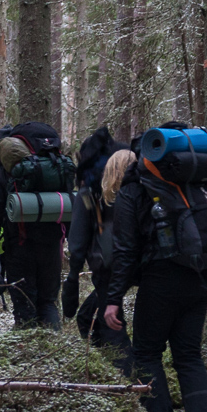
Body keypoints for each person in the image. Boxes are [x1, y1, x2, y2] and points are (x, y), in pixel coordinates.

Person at [103, 123, 207, 412]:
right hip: (200, 276)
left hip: (160, 278)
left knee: (147, 353)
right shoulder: (195, 182)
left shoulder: (134, 188)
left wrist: (113, 298)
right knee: (189, 355)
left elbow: (125, 250)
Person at [0, 123, 68, 330]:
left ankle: (28, 347)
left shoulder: (4, 172)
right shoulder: (54, 166)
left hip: (19, 246)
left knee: (24, 305)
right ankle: (54, 345)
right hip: (52, 245)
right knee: (48, 302)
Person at [63, 130, 134, 377]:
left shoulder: (90, 191)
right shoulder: (134, 183)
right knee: (87, 317)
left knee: (111, 326)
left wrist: (73, 277)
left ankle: (125, 379)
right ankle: (107, 369)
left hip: (108, 266)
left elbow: (78, 240)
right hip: (137, 263)